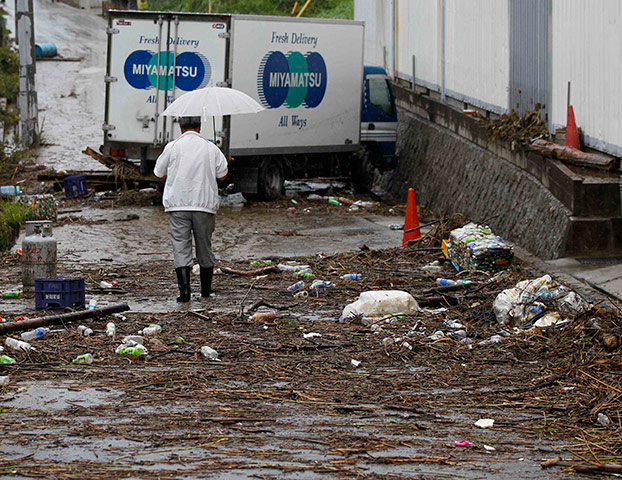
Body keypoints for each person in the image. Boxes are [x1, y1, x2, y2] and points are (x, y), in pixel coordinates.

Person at [153, 116, 228, 302]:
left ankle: (184, 294)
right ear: (200, 126)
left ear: (180, 126)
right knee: (205, 247)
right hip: (204, 205)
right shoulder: (211, 148)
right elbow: (223, 174)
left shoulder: (172, 146)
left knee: (180, 247)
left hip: (178, 205)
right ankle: (205, 292)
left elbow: (158, 173)